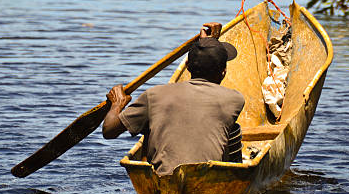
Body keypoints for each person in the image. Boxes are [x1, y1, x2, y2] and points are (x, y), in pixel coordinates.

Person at [102, 22, 245, 176]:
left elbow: (109, 130)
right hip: (205, 180)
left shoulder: (154, 96)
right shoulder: (235, 100)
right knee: (232, 129)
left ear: (188, 66)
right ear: (223, 72)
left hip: (163, 178)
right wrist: (209, 44)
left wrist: (117, 104)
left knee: (151, 122)